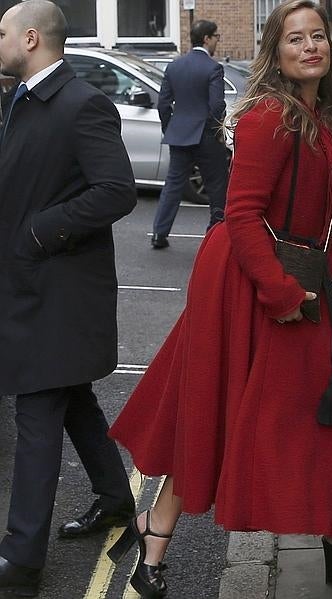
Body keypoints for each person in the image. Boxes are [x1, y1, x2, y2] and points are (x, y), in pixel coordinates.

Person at [108, 1, 332, 597]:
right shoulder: (272, 116)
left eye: (318, 36)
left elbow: (318, 219)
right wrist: (283, 294)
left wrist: (321, 269)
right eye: (296, 39)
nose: (311, 46)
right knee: (284, 408)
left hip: (294, 276)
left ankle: (153, 534)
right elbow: (242, 216)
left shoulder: (316, 116)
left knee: (311, 405)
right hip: (252, 283)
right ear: (276, 51)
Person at [0, 1, 137, 596]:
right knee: (73, 398)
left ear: (29, 37)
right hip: (32, 289)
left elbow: (117, 191)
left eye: (1, 32)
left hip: (59, 295)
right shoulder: (22, 99)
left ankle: (22, 558)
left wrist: (38, 231)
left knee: (36, 415)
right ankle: (114, 500)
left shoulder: (82, 104)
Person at [151, 19, 229, 249]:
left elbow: (163, 105)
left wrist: (170, 129)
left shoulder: (174, 66)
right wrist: (215, 130)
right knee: (216, 186)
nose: (217, 41)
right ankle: (215, 235)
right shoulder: (213, 67)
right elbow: (217, 106)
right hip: (206, 136)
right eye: (216, 37)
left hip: (179, 135)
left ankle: (159, 234)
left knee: (172, 186)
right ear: (206, 39)